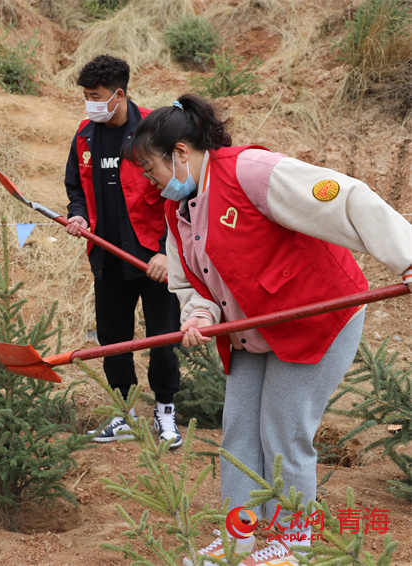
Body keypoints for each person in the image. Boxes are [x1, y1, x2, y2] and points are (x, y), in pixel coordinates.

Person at [126, 93, 412, 566]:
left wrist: (407, 256)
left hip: (316, 318)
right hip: (252, 332)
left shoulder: (252, 173)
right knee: (238, 434)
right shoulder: (178, 213)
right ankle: (239, 540)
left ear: (180, 153)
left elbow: (346, 199)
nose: (149, 181)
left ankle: (290, 544)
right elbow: (193, 285)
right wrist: (200, 316)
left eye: (150, 167)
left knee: (284, 435)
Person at [63, 54, 183, 447]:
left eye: (95, 96)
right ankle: (125, 414)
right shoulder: (84, 136)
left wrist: (168, 252)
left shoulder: (153, 130)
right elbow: (75, 188)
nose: (90, 103)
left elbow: (179, 193)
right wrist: (78, 216)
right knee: (114, 339)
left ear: (119, 94)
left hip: (154, 259)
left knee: (163, 337)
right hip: (107, 257)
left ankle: (165, 414)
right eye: (85, 96)